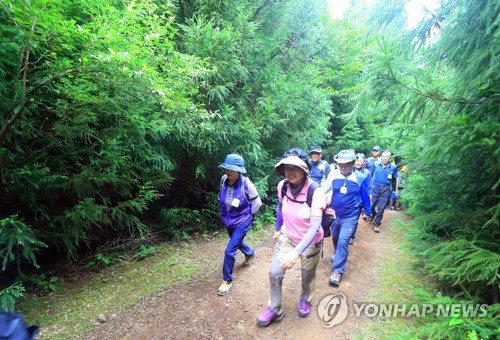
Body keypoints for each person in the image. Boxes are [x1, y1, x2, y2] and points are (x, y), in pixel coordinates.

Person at [256, 152, 324, 327]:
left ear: (305, 170)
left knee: (307, 275)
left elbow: (315, 226)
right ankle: (274, 308)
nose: (290, 172)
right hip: (287, 236)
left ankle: (305, 299)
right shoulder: (283, 186)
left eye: (295, 168)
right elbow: (280, 207)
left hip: (310, 241)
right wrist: (277, 229)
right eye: (287, 168)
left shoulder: (315, 191)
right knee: (275, 272)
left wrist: (296, 252)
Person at [325, 150, 371, 287]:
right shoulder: (333, 174)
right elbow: (325, 190)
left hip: (350, 216)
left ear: (352, 164)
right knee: (335, 237)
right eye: (340, 164)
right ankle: (336, 252)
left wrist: (367, 212)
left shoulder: (360, 177)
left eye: (346, 164)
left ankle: (337, 271)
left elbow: (365, 195)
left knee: (343, 241)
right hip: (334, 214)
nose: (343, 167)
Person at [217, 154, 262, 296]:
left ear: (239, 170)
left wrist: (248, 215)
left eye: (232, 169)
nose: (228, 171)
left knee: (230, 249)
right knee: (236, 242)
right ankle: (250, 253)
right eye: (227, 168)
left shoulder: (247, 184)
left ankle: (227, 280)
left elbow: (257, 203)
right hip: (228, 219)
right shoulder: (224, 179)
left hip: (242, 221)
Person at [370, 150, 398, 233]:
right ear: (381, 157)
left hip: (385, 188)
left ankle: (376, 224)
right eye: (383, 156)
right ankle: (373, 214)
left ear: (390, 158)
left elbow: (394, 180)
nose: (385, 158)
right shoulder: (375, 165)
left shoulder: (393, 167)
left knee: (381, 208)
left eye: (387, 156)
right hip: (375, 187)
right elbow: (369, 176)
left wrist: (393, 192)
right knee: (371, 205)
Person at [348, 153, 373, 245]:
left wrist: (368, 202)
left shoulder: (366, 173)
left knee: (354, 219)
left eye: (360, 160)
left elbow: (370, 188)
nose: (358, 162)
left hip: (360, 201)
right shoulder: (348, 171)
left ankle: (351, 236)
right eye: (356, 160)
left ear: (364, 161)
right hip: (350, 200)